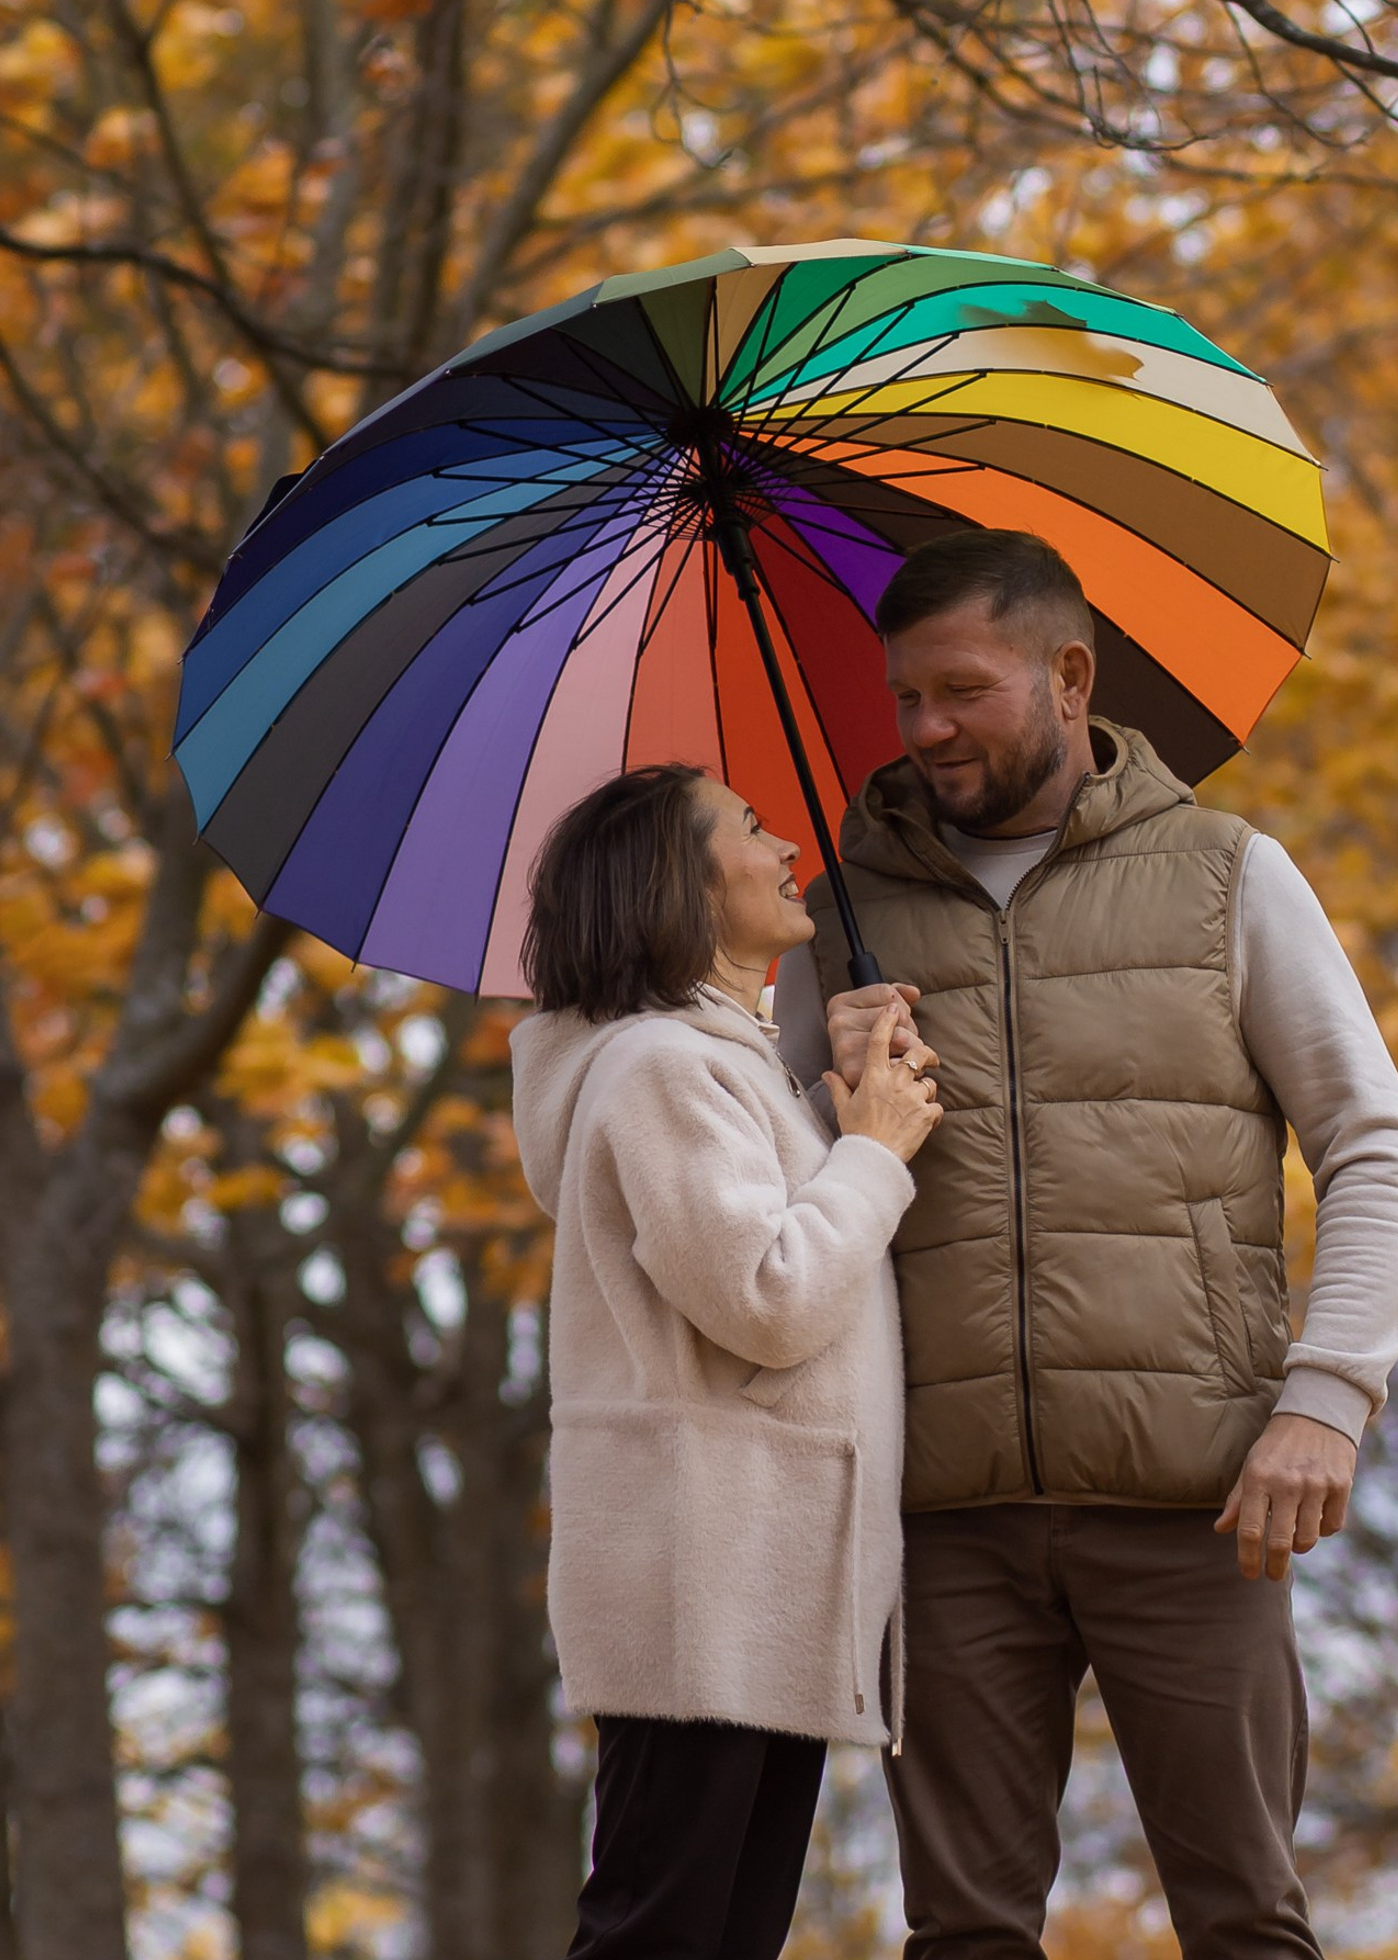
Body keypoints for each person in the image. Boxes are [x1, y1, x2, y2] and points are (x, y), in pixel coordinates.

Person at [774, 529, 1398, 1960]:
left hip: (1197, 1499)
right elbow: (786, 1216)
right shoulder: (832, 921)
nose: (927, 728)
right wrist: (818, 1100)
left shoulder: (1227, 878)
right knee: (960, 1935)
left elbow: (1376, 1150)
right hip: (938, 1516)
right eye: (905, 698)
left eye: (962, 689)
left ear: (1069, 676)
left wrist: (1329, 1399)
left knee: (1248, 1924)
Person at [512, 762, 943, 1960]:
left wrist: (832, 1097)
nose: (787, 844)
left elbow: (745, 1221)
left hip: (753, 1585)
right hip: (702, 1582)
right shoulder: (659, 1067)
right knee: (661, 1932)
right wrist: (874, 1151)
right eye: (750, 828)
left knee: (717, 1935)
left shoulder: (715, 1063)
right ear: (681, 886)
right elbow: (765, 1295)